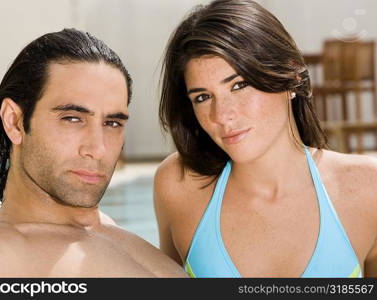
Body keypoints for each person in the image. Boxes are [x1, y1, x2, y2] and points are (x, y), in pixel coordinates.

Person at [154, 0, 377, 278]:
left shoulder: (367, 188)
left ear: (291, 75)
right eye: (203, 97)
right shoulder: (178, 185)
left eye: (239, 85)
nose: (222, 115)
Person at [0, 28, 186, 278]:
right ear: (14, 122)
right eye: (72, 118)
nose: (97, 149)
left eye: (112, 123)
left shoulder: (109, 232)